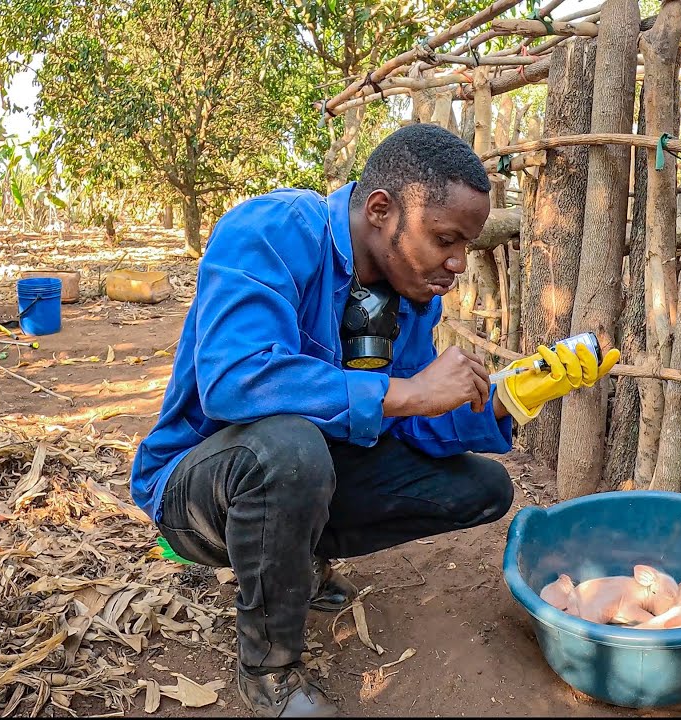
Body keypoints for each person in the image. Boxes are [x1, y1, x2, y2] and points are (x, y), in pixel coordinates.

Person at [129, 123, 618, 718]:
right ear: (382, 210)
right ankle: (269, 668)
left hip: (302, 469)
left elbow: (405, 420)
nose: (459, 262)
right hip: (198, 490)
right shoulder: (269, 232)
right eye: (445, 238)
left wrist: (502, 400)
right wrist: (404, 391)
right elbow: (234, 380)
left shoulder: (407, 293)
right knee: (290, 450)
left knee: (482, 488)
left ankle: (294, 560)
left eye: (466, 245)